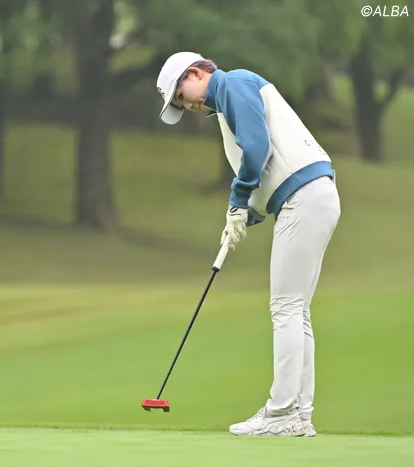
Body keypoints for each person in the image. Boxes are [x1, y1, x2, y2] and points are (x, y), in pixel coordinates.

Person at [155, 52, 341, 437]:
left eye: (181, 96)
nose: (186, 106)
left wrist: (238, 200)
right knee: (297, 310)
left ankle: (281, 412)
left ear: (196, 73)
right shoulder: (227, 103)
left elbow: (258, 149)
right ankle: (299, 415)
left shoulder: (233, 83)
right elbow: (265, 169)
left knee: (285, 307)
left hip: (304, 197)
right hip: (313, 196)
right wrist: (244, 216)